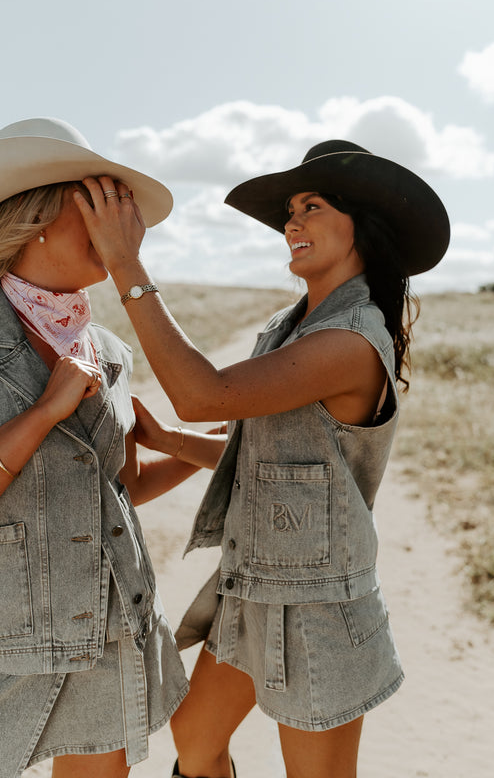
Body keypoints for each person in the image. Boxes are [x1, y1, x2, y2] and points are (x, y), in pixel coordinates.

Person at [74, 139, 450, 778]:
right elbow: (272, 457)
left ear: (364, 226)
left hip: (320, 606)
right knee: (195, 744)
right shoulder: (290, 325)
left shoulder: (352, 339)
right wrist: (167, 443)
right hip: (250, 588)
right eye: (289, 211)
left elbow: (203, 395)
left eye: (312, 206)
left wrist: (125, 263)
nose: (291, 223)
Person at [0, 118, 226, 778]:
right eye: (97, 210)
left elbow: (119, 487)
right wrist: (47, 411)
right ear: (39, 219)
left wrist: (194, 449)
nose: (120, 231)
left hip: (106, 620)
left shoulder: (110, 350)